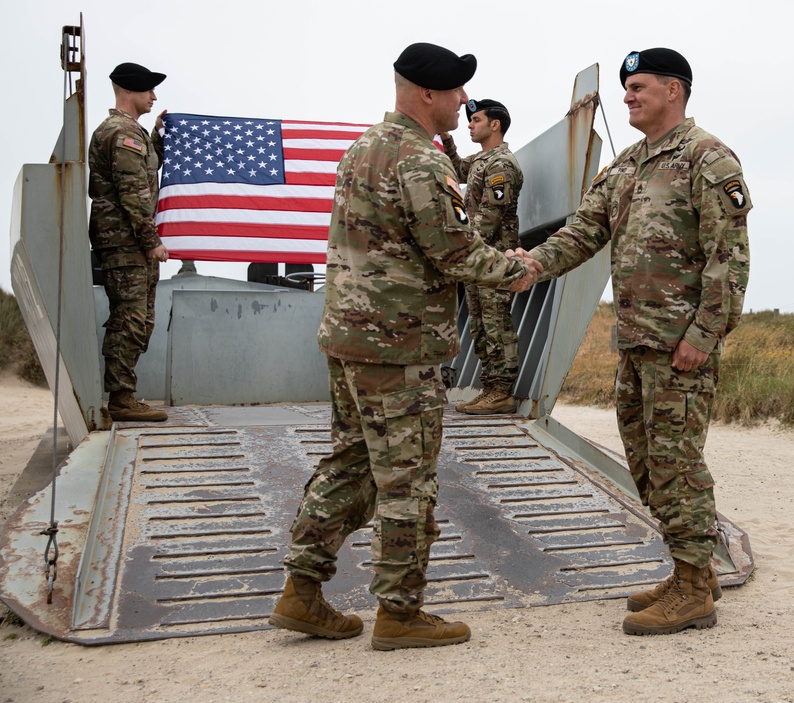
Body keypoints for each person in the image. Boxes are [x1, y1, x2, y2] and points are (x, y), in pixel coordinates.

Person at [269, 42, 541, 651]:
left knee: (351, 465)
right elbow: (454, 250)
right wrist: (520, 269)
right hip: (399, 347)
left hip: (349, 337)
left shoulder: (364, 146)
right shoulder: (422, 160)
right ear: (427, 94)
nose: (464, 100)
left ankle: (302, 591)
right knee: (407, 481)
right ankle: (400, 612)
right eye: (456, 91)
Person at [513, 48, 751, 635]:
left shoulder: (707, 158)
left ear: (675, 90)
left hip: (680, 348)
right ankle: (690, 567)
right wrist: (534, 264)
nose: (627, 96)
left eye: (639, 87)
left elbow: (731, 257)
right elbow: (583, 231)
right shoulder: (626, 166)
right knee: (646, 465)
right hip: (636, 343)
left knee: (676, 464)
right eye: (625, 89)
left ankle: (695, 588)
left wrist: (704, 334)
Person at [88, 62, 170, 423]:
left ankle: (124, 394)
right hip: (124, 242)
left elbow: (141, 172)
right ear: (128, 91)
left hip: (130, 242)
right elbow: (132, 190)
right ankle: (121, 398)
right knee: (130, 318)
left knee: (141, 319)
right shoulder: (121, 132)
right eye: (148, 90)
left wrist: (158, 137)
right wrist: (150, 239)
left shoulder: (132, 133)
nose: (153, 96)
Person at [441, 99, 524, 414]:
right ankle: (491, 388)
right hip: (479, 259)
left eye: (475, 120)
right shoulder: (481, 160)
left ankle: (502, 391)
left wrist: (463, 248)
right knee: (480, 325)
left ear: (495, 124)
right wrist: (447, 140)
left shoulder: (502, 164)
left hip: (493, 259)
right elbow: (459, 168)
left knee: (496, 323)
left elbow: (491, 214)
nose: (470, 125)